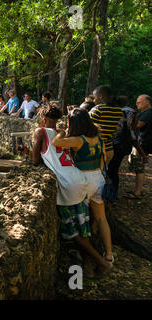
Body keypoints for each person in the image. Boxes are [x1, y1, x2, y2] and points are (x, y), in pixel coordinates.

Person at [32, 105, 112, 277]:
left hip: (68, 186)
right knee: (83, 227)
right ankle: (89, 268)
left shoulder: (40, 132)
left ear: (43, 120)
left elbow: (35, 160)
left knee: (73, 232)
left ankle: (102, 262)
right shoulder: (64, 133)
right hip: (80, 179)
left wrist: (30, 153)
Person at [52, 108, 114, 268]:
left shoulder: (78, 140)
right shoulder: (98, 137)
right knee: (101, 218)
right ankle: (108, 255)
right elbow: (105, 157)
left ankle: (87, 260)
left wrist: (62, 131)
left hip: (83, 181)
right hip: (98, 178)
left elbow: (56, 142)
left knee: (82, 222)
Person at [107, 96, 144, 195]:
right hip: (122, 145)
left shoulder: (114, 112)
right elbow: (132, 132)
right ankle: (112, 193)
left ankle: (110, 193)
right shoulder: (130, 112)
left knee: (110, 170)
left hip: (113, 144)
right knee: (114, 170)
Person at [125, 94, 151, 199]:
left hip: (142, 145)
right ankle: (137, 190)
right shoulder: (144, 113)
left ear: (147, 102)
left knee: (139, 169)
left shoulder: (148, 113)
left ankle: (138, 192)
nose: (137, 103)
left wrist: (126, 120)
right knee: (137, 168)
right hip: (140, 144)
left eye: (139, 101)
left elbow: (136, 125)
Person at [89, 85, 123, 164]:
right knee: (102, 174)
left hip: (96, 150)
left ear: (100, 96)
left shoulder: (98, 109)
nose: (93, 100)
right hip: (109, 149)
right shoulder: (119, 110)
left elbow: (84, 125)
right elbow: (117, 130)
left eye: (94, 97)